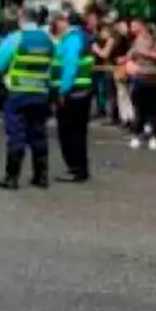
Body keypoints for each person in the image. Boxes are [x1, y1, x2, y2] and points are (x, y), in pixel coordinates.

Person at [0, 5, 54, 190]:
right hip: (41, 93)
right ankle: (41, 176)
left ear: (22, 19)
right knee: (38, 134)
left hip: (18, 93)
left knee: (16, 135)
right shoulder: (48, 40)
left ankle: (12, 178)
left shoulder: (16, 38)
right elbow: (54, 65)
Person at [52, 10, 95, 182]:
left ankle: (75, 168)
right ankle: (80, 168)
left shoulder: (72, 39)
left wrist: (62, 91)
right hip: (82, 91)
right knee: (79, 132)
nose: (55, 26)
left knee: (69, 133)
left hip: (72, 93)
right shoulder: (84, 37)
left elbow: (70, 66)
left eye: (57, 21)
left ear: (65, 22)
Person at [127, 18, 156, 149]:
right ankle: (137, 134)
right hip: (140, 78)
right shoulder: (137, 40)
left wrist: (146, 53)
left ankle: (153, 136)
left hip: (154, 78)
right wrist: (129, 62)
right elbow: (131, 55)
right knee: (139, 110)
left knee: (153, 110)